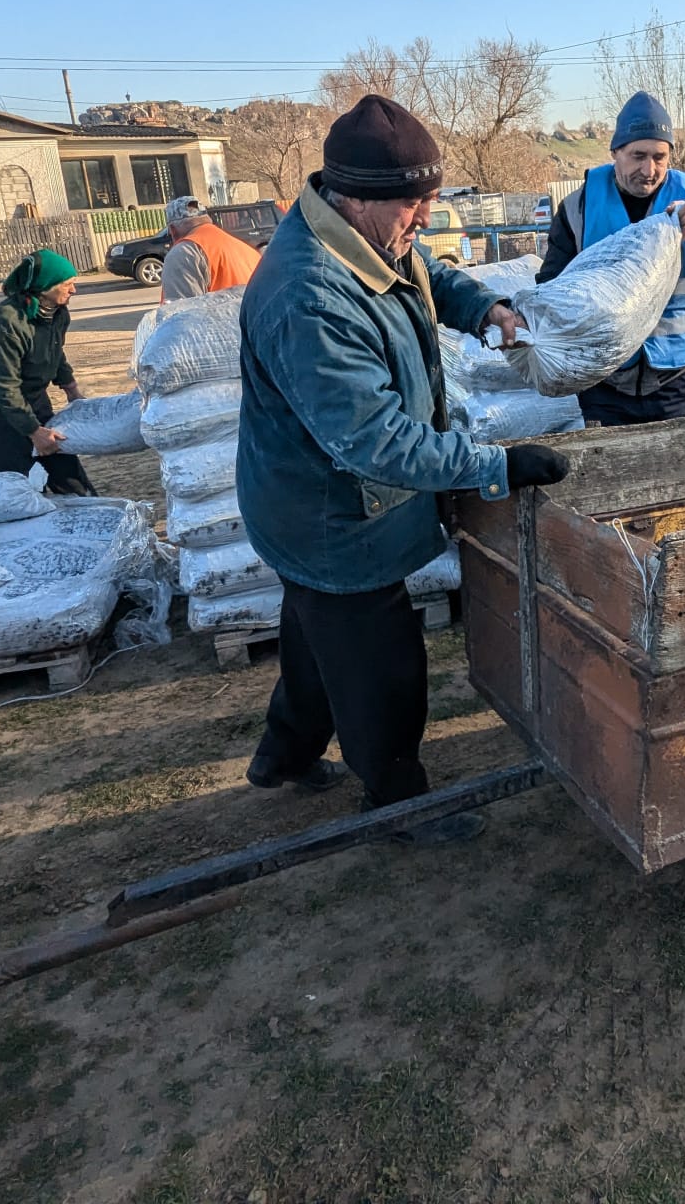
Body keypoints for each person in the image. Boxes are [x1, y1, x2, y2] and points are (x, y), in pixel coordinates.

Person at [236, 94, 570, 844]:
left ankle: (282, 756)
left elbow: (428, 275)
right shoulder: (309, 293)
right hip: (332, 516)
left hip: (309, 506)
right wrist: (494, 465)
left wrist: (486, 310)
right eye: (413, 205)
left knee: (314, 638)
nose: (425, 218)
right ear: (355, 197)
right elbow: (373, 440)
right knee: (381, 667)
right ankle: (398, 802)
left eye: (430, 199)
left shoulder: (366, 236)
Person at [536, 91, 685, 426]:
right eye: (637, 155)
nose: (649, 169)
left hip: (674, 380)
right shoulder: (577, 208)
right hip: (603, 382)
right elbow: (551, 286)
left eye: (659, 157)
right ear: (615, 152)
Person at [0, 248, 95, 496]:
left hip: (30, 399)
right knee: (22, 490)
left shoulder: (58, 313)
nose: (74, 290)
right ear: (44, 286)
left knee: (68, 474)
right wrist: (33, 431)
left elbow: (55, 351)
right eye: (67, 284)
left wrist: (71, 388)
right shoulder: (6, 322)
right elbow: (4, 386)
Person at [159, 194, 261, 301]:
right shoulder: (246, 250)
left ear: (172, 230)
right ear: (207, 219)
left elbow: (182, 313)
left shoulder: (183, 253)